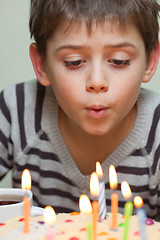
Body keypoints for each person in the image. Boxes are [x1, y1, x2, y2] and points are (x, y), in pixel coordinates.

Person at [0, 0, 160, 219]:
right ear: (41, 64)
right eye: (73, 62)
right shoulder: (15, 110)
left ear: (150, 61)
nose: (96, 81)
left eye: (119, 61)